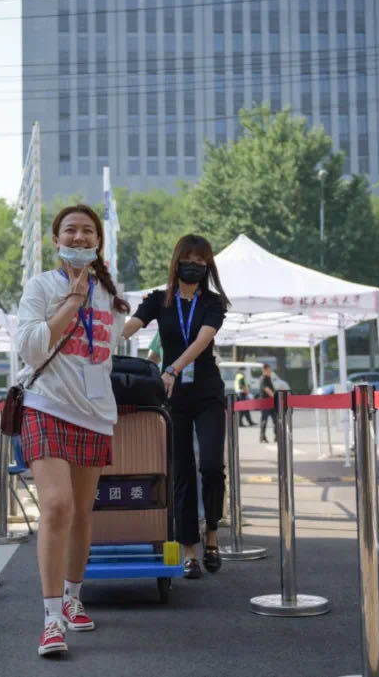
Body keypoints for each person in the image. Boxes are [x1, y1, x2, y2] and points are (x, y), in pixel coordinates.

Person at [14, 204, 128, 656]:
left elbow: (107, 355)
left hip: (94, 412)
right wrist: (72, 302)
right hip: (46, 405)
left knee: (81, 512)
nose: (79, 238)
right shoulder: (42, 286)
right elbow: (29, 348)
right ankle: (51, 620)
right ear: (56, 239)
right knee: (57, 506)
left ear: (98, 241)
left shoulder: (112, 297)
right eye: (70, 230)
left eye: (87, 231)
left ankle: (73, 597)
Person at [123, 234, 229, 580]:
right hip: (174, 398)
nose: (194, 266)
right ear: (176, 262)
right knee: (182, 471)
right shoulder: (159, 300)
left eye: (201, 261)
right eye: (188, 260)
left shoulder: (213, 302)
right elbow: (128, 328)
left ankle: (211, 532)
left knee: (210, 466)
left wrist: (172, 369)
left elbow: (201, 341)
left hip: (208, 392)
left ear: (208, 266)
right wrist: (98, 337)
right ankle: (189, 551)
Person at [259, 363, 280, 444]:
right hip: (265, 402)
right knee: (264, 420)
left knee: (276, 420)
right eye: (269, 369)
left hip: (271, 402)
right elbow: (267, 389)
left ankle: (277, 436)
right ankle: (262, 437)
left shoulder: (268, 378)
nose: (270, 371)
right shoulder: (263, 378)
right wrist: (275, 397)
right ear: (265, 370)